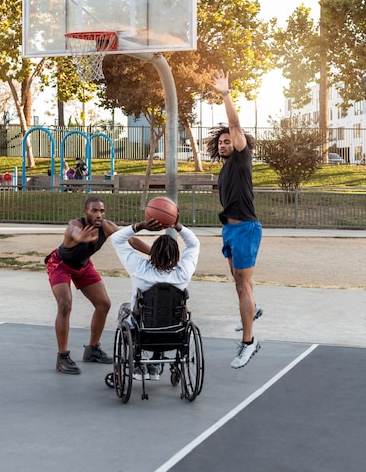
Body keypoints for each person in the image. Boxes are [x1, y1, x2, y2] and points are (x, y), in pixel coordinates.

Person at [44, 196, 151, 374]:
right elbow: (75, 233)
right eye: (94, 210)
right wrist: (81, 237)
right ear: (85, 212)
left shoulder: (106, 227)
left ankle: (92, 349)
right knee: (65, 304)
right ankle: (62, 356)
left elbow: (131, 241)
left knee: (104, 304)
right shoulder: (75, 225)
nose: (99, 214)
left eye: (102, 210)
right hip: (60, 265)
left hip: (83, 266)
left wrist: (157, 253)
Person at [208, 69, 263, 369]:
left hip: (245, 229)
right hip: (230, 231)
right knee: (240, 281)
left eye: (228, 141)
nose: (223, 144)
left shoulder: (242, 158)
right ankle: (251, 310)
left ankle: (249, 342)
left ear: (238, 143)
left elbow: (234, 123)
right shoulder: (225, 167)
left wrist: (225, 94)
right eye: (220, 142)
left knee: (243, 285)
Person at [110, 216, 200, 380]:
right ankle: (155, 363)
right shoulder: (183, 273)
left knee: (125, 310)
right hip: (174, 331)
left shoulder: (140, 269)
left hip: (141, 330)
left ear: (153, 252)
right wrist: (177, 226)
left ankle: (136, 361)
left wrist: (141, 225)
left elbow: (116, 238)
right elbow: (194, 244)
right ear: (176, 255)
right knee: (165, 313)